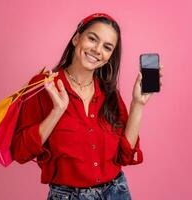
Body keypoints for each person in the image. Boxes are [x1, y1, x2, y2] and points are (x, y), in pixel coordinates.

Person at [11, 13, 163, 200]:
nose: (98, 50)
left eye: (107, 47)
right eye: (92, 39)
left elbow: (124, 156)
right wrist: (57, 111)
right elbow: (20, 152)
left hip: (116, 191)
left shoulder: (109, 92)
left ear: (109, 57)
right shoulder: (44, 85)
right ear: (76, 39)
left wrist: (138, 104)